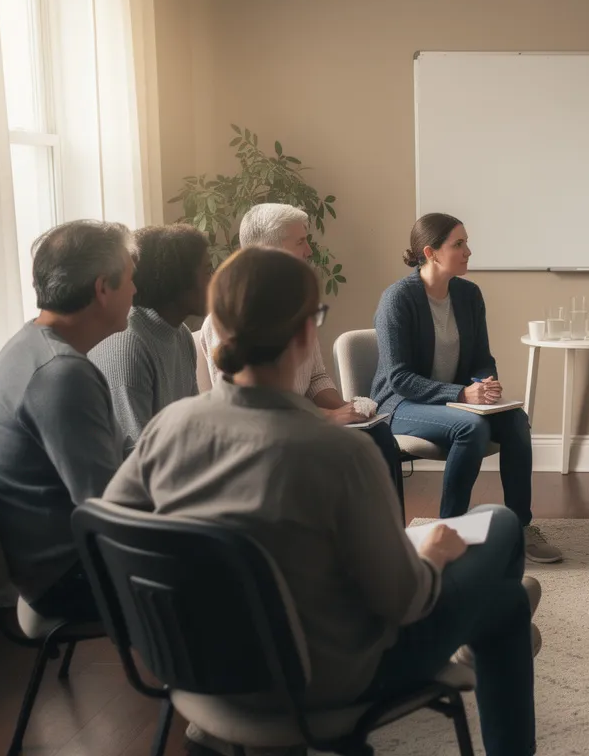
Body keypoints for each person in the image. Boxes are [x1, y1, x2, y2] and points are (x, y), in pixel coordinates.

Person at [104, 247, 539, 756]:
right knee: (498, 527)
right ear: (305, 333)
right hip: (320, 678)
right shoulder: (340, 454)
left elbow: (113, 526)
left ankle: (490, 619)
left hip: (198, 666)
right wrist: (432, 556)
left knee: (504, 602)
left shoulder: (168, 429)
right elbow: (404, 601)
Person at [372, 213, 563, 564]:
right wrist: (460, 394)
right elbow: (399, 378)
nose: (468, 251)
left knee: (516, 421)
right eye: (458, 244)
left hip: (455, 401)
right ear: (430, 253)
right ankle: (449, 532)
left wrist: (484, 384)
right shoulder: (397, 299)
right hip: (400, 404)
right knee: (471, 427)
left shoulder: (468, 294)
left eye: (466, 243)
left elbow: (481, 358)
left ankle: (521, 526)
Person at [0, 220, 133, 621]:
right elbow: (107, 504)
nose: (135, 291)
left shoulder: (35, 346)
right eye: (131, 278)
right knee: (240, 561)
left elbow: (118, 456)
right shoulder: (61, 374)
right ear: (103, 288)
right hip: (71, 577)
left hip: (66, 561)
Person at [195, 203, 404, 502]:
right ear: (269, 250)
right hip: (269, 435)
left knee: (378, 434)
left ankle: (389, 523)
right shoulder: (229, 317)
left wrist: (347, 409)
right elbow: (246, 405)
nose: (308, 251)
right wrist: (329, 417)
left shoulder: (297, 305)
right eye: (300, 242)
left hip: (305, 421)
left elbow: (316, 377)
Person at [89, 224, 209, 452]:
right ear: (178, 279)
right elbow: (137, 456)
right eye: (207, 271)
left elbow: (193, 426)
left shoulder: (181, 334)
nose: (215, 280)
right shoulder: (128, 344)